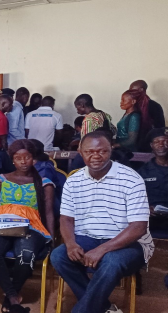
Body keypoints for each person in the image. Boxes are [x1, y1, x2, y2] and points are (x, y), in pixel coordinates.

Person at [51, 131, 154, 313]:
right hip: (87, 238)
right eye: (89, 151)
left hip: (127, 243)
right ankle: (105, 308)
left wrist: (102, 249)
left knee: (111, 262)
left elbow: (138, 227)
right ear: (80, 153)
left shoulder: (131, 179)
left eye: (102, 151)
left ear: (110, 151)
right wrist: (70, 244)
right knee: (59, 256)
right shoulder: (73, 181)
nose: (96, 156)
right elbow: (66, 218)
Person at [0, 139, 55, 313]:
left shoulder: (44, 183)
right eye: (18, 158)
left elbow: (49, 212)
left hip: (32, 226)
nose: (23, 161)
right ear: (12, 160)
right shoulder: (1, 179)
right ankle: (13, 297)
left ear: (34, 159)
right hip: (3, 223)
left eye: (27, 157)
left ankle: (10, 296)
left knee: (26, 255)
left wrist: (52, 237)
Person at [137, 128, 168, 234]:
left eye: (165, 141)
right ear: (151, 146)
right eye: (156, 142)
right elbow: (134, 200)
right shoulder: (141, 173)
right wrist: (145, 208)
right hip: (150, 224)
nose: (161, 144)